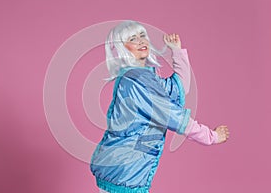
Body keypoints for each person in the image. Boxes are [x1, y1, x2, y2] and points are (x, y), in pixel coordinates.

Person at [90, 20, 229, 193]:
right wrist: (211, 136)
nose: (141, 41)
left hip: (123, 167)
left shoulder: (142, 77)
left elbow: (178, 89)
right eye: (133, 38)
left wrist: (176, 52)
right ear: (123, 48)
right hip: (125, 169)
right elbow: (174, 116)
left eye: (142, 35)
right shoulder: (137, 81)